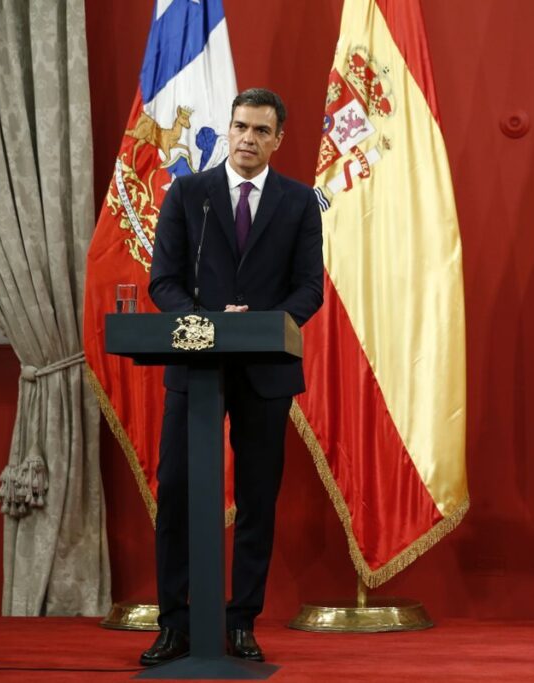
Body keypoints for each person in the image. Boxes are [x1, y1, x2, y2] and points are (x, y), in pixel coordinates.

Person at [141, 88, 324, 665]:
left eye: (260, 130)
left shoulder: (299, 202)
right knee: (176, 494)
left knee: (256, 500)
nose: (248, 138)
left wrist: (262, 325)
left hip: (265, 370)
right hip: (195, 364)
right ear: (229, 128)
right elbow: (163, 280)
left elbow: (309, 288)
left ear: (278, 139)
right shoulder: (187, 193)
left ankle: (241, 620)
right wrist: (208, 323)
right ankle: (174, 624)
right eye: (240, 126)